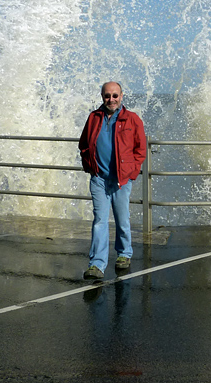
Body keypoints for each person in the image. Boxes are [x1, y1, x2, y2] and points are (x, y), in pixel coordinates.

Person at [78, 81, 146, 280]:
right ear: (102, 96)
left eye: (115, 95)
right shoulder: (94, 118)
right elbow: (83, 144)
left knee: (122, 219)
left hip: (121, 180)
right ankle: (96, 264)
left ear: (122, 96)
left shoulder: (132, 119)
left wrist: (131, 172)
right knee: (99, 220)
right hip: (99, 178)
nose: (111, 99)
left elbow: (140, 150)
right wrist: (89, 165)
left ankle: (124, 253)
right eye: (107, 96)